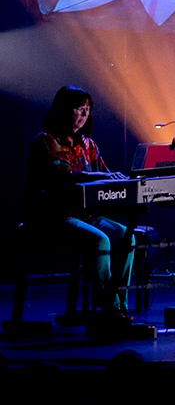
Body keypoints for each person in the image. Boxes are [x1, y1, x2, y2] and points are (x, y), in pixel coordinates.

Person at [23, 86, 134, 318]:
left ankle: (119, 303)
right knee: (100, 239)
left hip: (86, 215)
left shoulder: (88, 145)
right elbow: (67, 177)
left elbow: (105, 174)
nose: (84, 116)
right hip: (55, 216)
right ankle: (109, 308)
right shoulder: (46, 142)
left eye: (87, 110)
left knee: (127, 236)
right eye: (78, 109)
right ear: (64, 109)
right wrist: (104, 176)